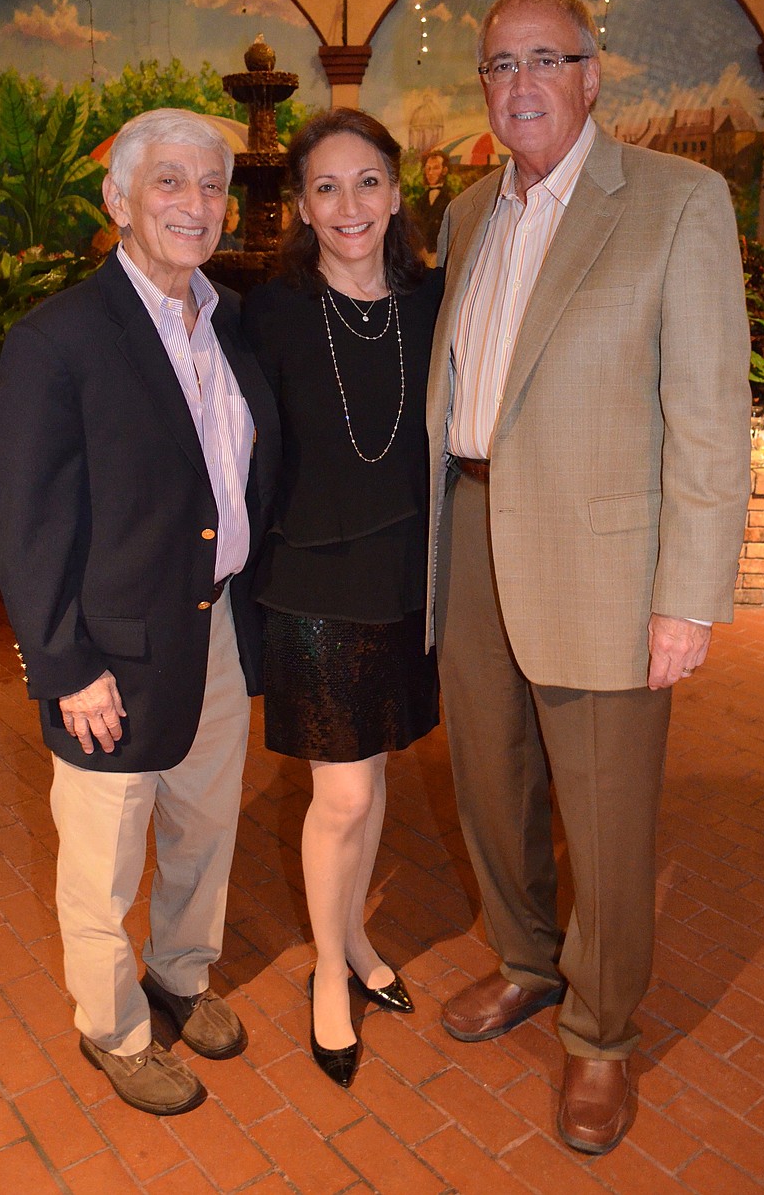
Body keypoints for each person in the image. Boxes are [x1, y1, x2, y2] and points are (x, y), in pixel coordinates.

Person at [426, 0, 751, 1154]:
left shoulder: (676, 203)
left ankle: (602, 1035)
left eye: (542, 60)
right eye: (497, 65)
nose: (518, 86)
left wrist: (687, 595)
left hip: (604, 560)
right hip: (469, 531)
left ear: (591, 74)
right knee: (489, 778)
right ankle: (523, 960)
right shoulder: (468, 212)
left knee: (606, 816)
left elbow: (709, 415)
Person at [0, 108, 280, 1116]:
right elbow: (28, 523)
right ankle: (113, 1024)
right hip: (110, 653)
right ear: (119, 200)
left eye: (210, 184)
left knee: (204, 830)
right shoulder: (57, 339)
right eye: (169, 182)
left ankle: (181, 975)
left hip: (218, 631)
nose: (195, 203)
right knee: (103, 859)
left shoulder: (232, 318)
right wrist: (65, 663)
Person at [242, 108, 441, 1088]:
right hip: (313, 584)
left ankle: (353, 937)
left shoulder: (433, 301)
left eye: (367, 181)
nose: (349, 203)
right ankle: (330, 968)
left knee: (375, 780)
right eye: (326, 186)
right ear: (302, 207)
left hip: (409, 581)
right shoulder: (268, 313)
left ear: (397, 194)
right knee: (345, 790)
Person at [414, 149, 452, 259]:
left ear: (444, 170)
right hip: (423, 255)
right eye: (428, 168)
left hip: (443, 255)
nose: (430, 173)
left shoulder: (451, 199)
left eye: (435, 168)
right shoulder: (421, 200)